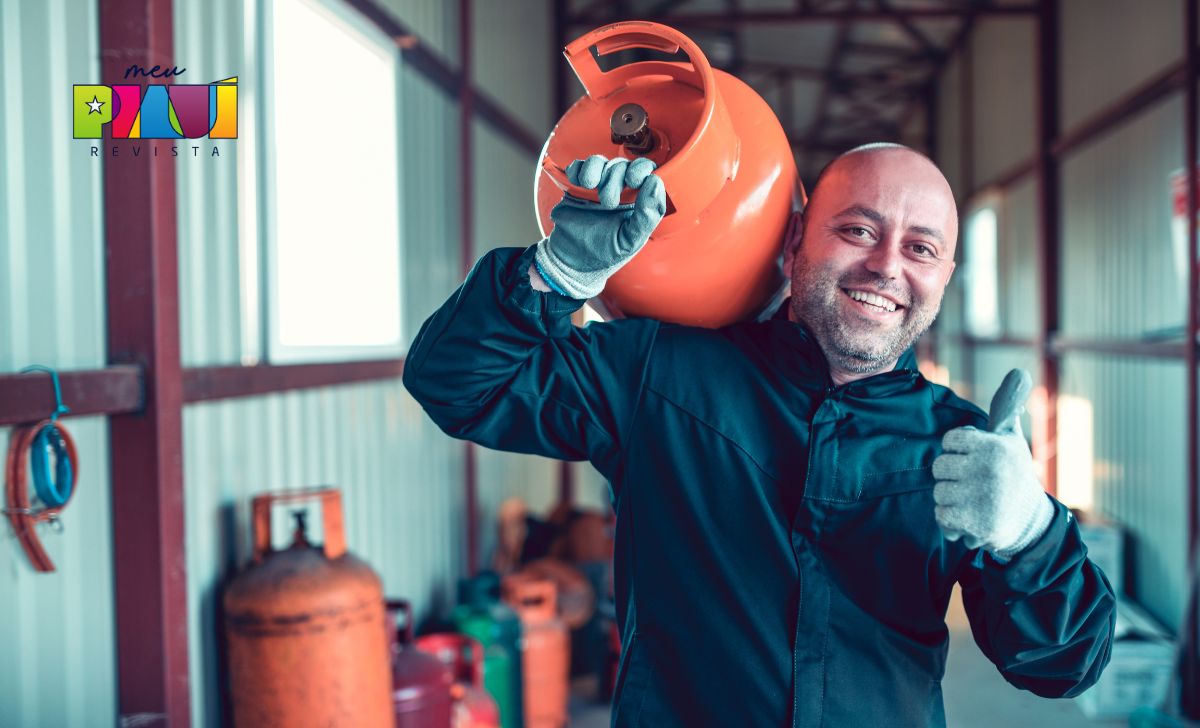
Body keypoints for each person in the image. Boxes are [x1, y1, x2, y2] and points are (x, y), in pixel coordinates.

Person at [402, 144, 1115, 727]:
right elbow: (456, 385)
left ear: (944, 276)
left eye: (920, 248)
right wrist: (555, 273)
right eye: (858, 230)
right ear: (796, 238)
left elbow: (1062, 666)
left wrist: (1031, 535)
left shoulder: (964, 452)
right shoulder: (659, 373)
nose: (886, 265)